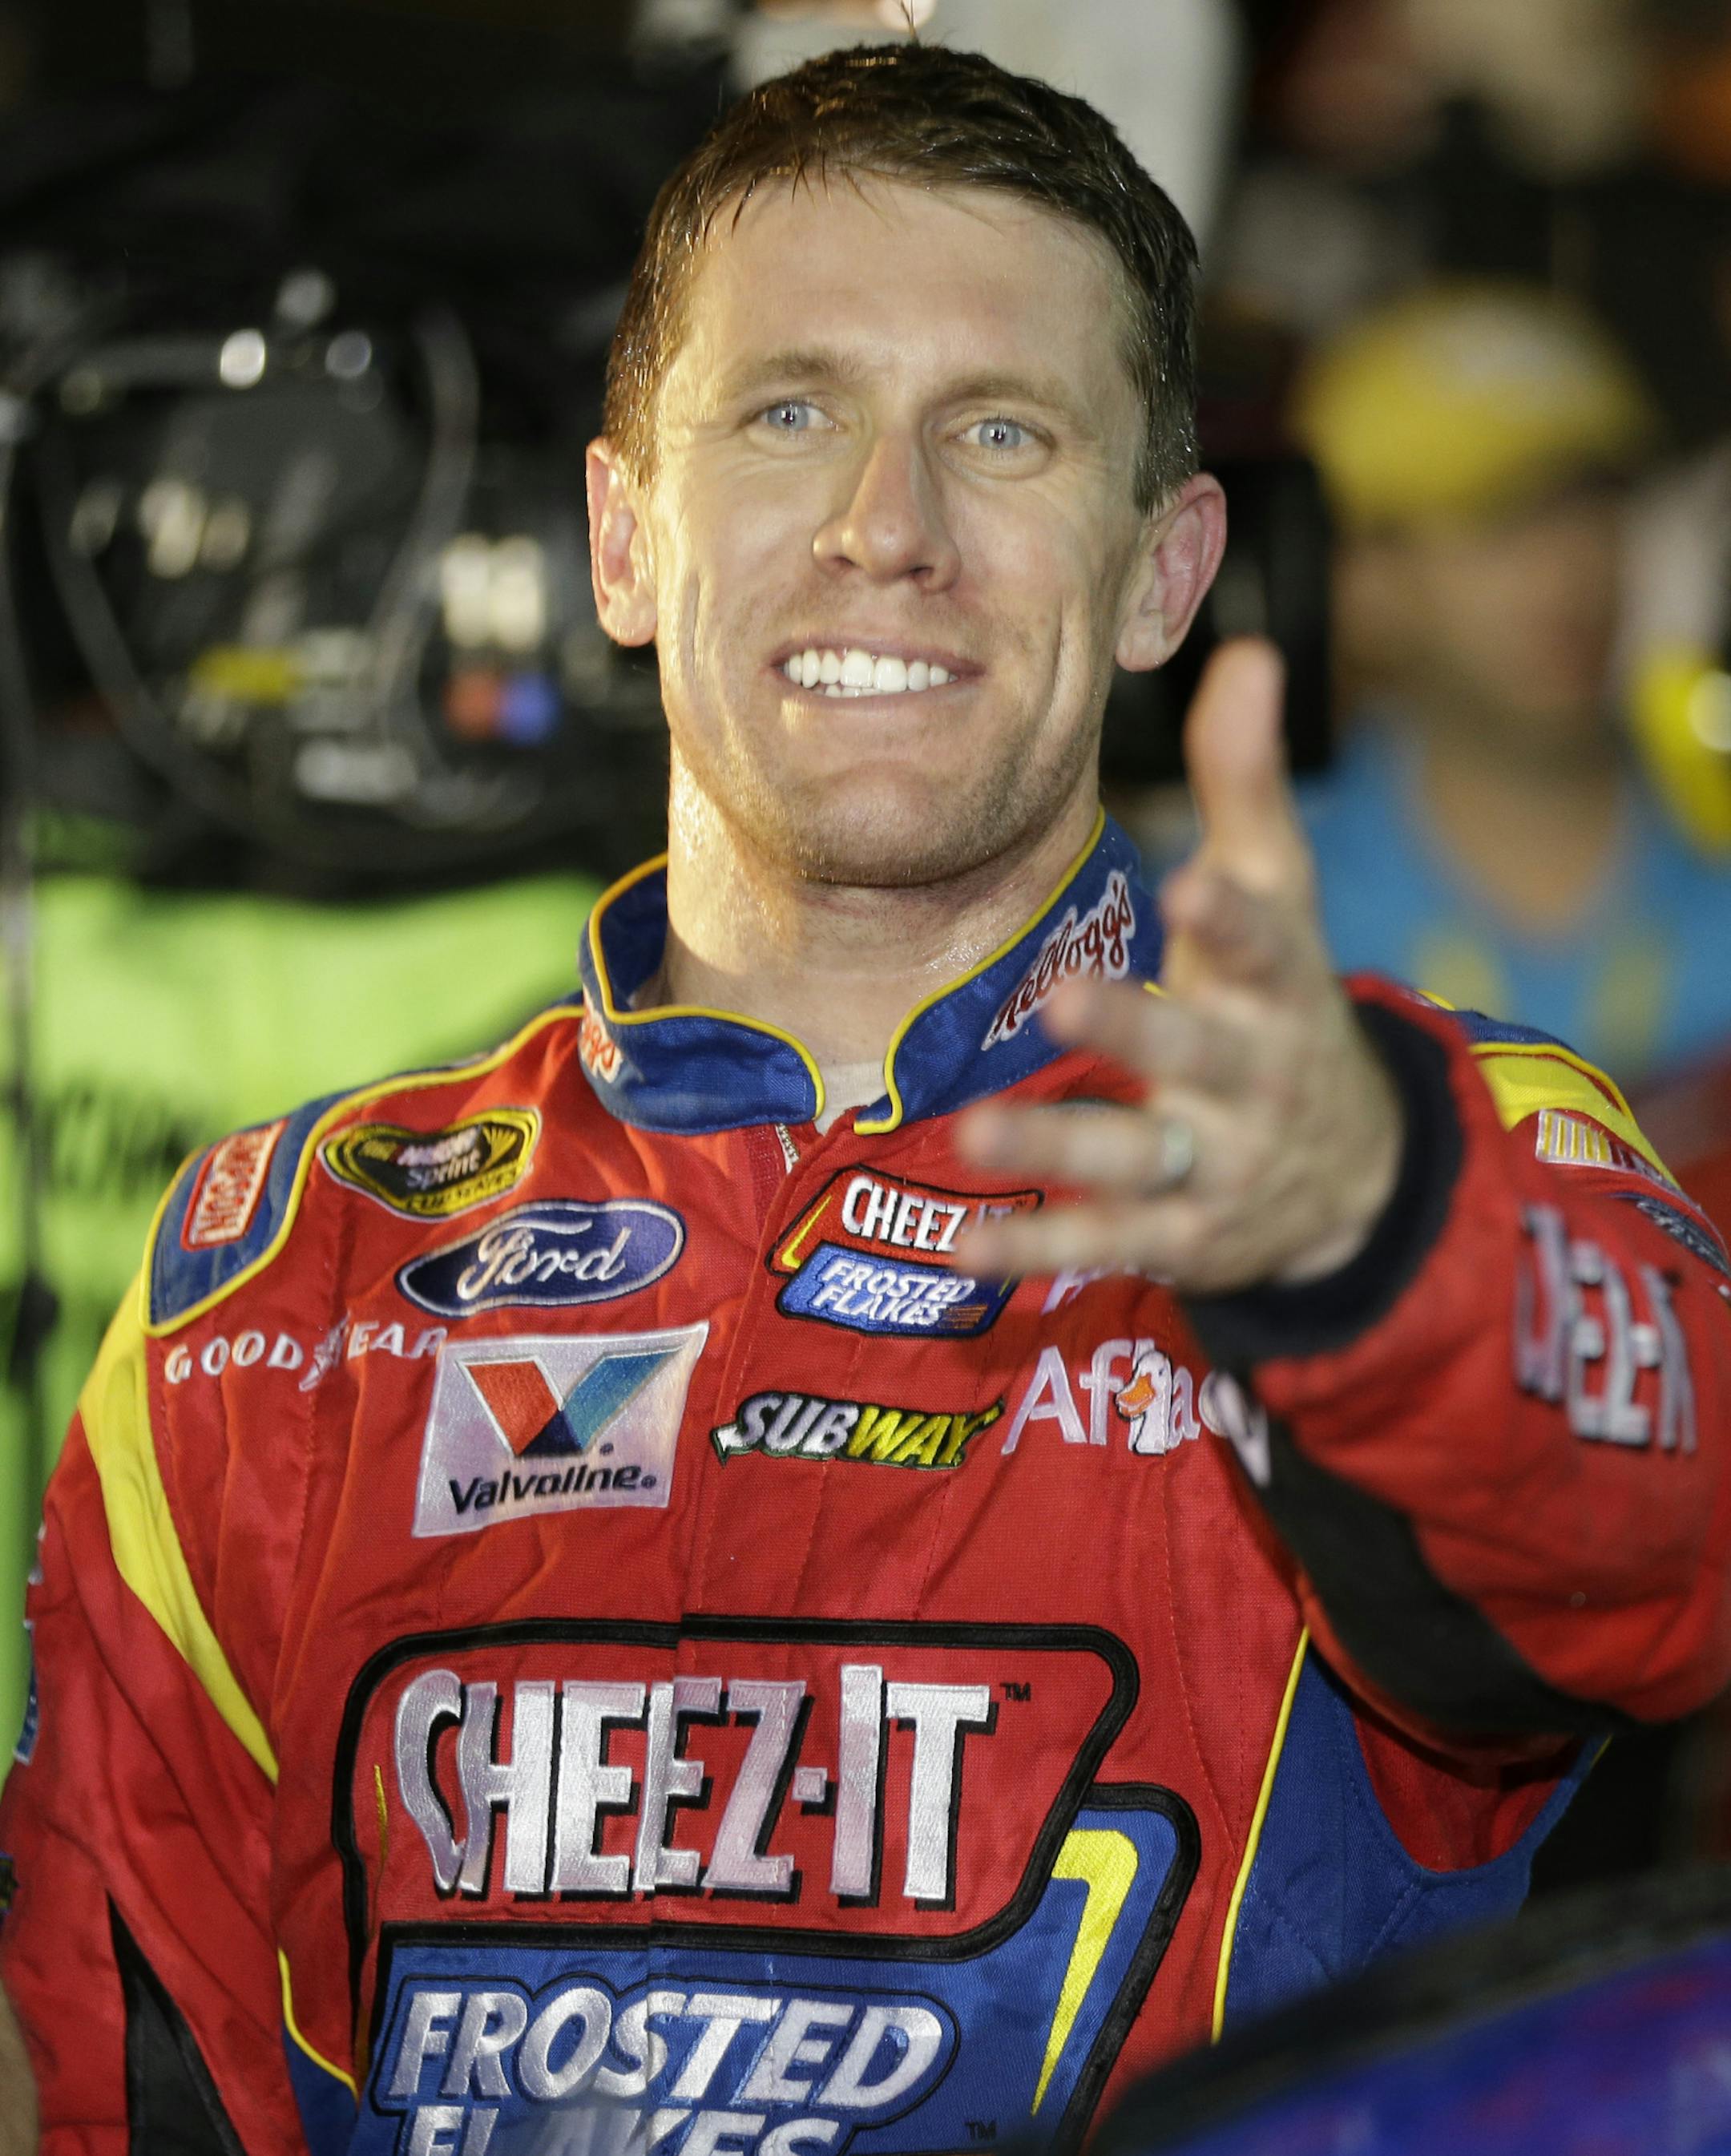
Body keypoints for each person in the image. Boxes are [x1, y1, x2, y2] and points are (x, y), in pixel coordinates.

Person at [3, 42, 1730, 2154]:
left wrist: (1361, 1249)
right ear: (622, 535)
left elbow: (1671, 1540)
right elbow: (115, 2078)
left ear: (1165, 575)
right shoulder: (270, 1280)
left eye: (998, 432)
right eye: (790, 410)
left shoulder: (1407, 1153)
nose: (880, 528)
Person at [1293, 280, 1731, 1084]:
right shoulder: (1261, 893)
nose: (1570, 564)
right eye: (1502, 516)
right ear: (1362, 578)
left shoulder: (1717, 817)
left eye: (1594, 500)